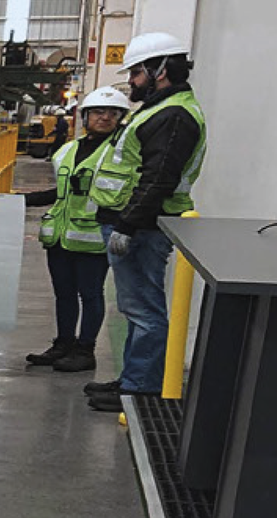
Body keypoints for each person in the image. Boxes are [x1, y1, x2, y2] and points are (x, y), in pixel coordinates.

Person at [84, 32, 204, 413]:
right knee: (136, 308)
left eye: (137, 71)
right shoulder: (159, 109)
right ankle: (132, 380)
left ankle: (140, 389)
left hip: (143, 228)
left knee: (145, 310)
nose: (132, 80)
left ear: (161, 70)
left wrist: (127, 226)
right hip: (136, 223)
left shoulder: (174, 115)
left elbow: (158, 178)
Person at [18, 86, 129, 374]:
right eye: (99, 112)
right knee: (63, 293)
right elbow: (64, 192)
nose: (105, 118)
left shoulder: (121, 153)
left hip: (94, 237)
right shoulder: (67, 150)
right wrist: (23, 200)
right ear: (86, 116)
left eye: (113, 113)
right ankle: (63, 343)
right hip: (60, 236)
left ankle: (85, 349)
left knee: (90, 295)